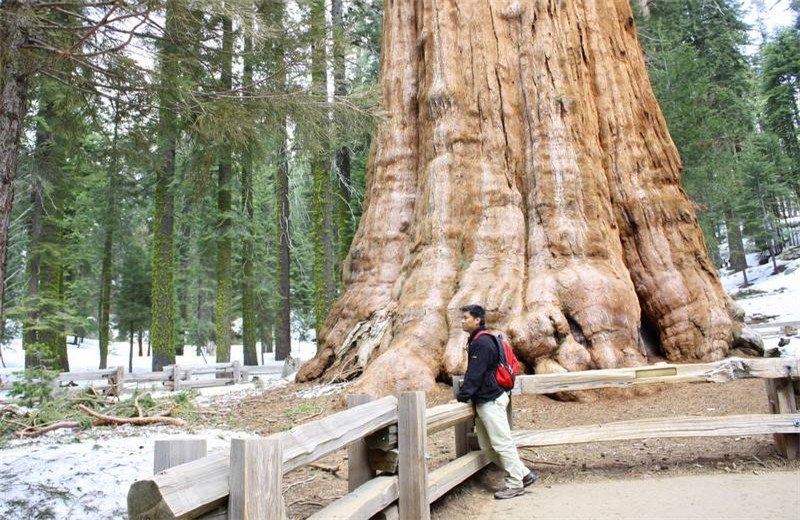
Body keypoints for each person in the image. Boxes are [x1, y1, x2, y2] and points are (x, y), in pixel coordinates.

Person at [456, 304, 537, 499]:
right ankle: (524, 474)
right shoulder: (479, 340)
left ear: (477, 320)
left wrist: (461, 397)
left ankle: (515, 483)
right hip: (487, 400)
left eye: (465, 317)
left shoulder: (481, 343)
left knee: (502, 443)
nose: (462, 320)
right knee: (488, 447)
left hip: (491, 400)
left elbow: (475, 374)